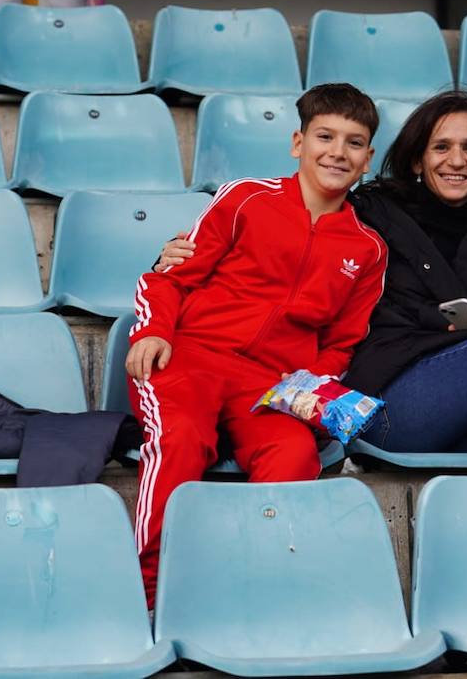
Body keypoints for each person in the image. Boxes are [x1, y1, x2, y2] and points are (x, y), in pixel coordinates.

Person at [159, 91, 467, 476]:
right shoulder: (372, 215)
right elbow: (298, 253)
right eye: (441, 147)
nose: (456, 160)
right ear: (418, 159)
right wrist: (171, 258)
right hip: (394, 400)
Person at [126, 83, 387, 605]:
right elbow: (169, 279)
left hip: (272, 387)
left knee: (294, 455)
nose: (337, 152)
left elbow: (342, 342)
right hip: (190, 359)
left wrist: (312, 389)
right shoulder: (245, 199)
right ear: (298, 142)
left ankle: (256, 591)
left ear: (368, 159)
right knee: (180, 439)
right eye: (325, 136)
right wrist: (154, 330)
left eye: (353, 143)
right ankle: (149, 593)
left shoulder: (368, 248)